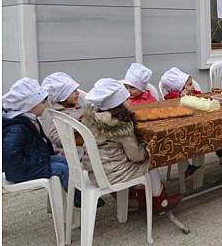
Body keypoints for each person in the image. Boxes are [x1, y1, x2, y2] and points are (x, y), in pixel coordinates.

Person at [82, 78, 181, 214]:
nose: (129, 102)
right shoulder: (119, 124)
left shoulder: (93, 118)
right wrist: (147, 150)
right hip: (114, 173)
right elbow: (136, 156)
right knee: (151, 160)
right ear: (119, 104)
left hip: (96, 170)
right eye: (126, 99)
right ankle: (159, 200)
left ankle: (136, 196)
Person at [3, 78, 69, 189]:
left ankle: (72, 194)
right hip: (22, 170)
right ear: (30, 105)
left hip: (34, 162)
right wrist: (36, 163)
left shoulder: (30, 120)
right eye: (42, 103)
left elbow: (37, 144)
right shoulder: (17, 128)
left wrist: (48, 153)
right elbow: (11, 155)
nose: (45, 106)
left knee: (64, 161)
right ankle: (79, 198)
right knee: (62, 169)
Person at [159, 67, 202, 176]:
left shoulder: (193, 92)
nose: (193, 87)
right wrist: (180, 97)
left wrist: (196, 94)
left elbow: (201, 96)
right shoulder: (171, 97)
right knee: (177, 140)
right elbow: (171, 105)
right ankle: (186, 167)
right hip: (181, 128)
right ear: (179, 88)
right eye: (189, 84)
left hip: (197, 123)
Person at [40, 72, 84, 153]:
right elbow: (55, 137)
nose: (78, 93)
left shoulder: (80, 107)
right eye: (73, 91)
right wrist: (79, 137)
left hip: (87, 148)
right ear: (63, 96)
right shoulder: (54, 114)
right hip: (68, 153)